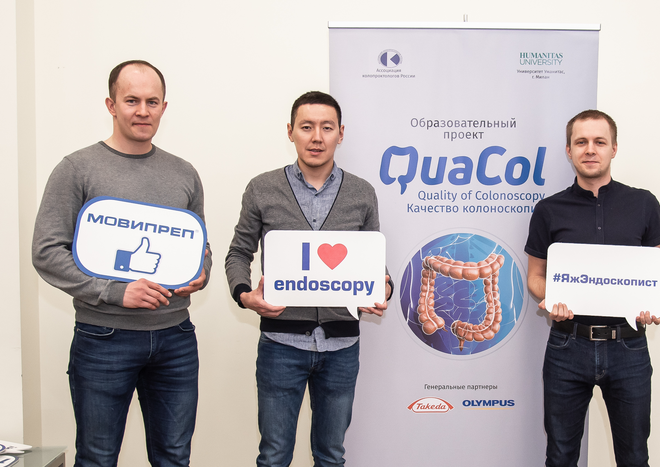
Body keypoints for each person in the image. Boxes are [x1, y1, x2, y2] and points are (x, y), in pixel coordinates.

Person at [32, 60, 211, 467]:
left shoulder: (184, 173)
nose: (143, 111)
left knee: (174, 457)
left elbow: (200, 246)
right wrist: (115, 292)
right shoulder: (76, 169)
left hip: (176, 337)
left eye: (152, 102)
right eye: (132, 101)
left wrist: (200, 273)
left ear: (164, 107)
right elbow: (47, 251)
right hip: (104, 338)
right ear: (111, 105)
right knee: (97, 458)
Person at [225, 91, 392, 467]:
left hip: (342, 348)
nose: (317, 137)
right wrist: (244, 294)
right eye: (306, 127)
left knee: (331, 456)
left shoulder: (362, 193)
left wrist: (384, 286)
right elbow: (238, 252)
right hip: (280, 344)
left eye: (327, 127)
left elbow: (373, 262)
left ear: (340, 133)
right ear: (290, 132)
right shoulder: (262, 188)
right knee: (274, 456)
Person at [525, 109, 660, 467]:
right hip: (566, 345)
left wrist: (648, 298)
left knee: (634, 457)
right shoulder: (548, 210)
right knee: (560, 456)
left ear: (613, 148)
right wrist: (550, 298)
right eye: (581, 142)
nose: (590, 149)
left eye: (599, 142)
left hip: (629, 346)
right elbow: (535, 276)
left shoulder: (644, 204)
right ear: (569, 150)